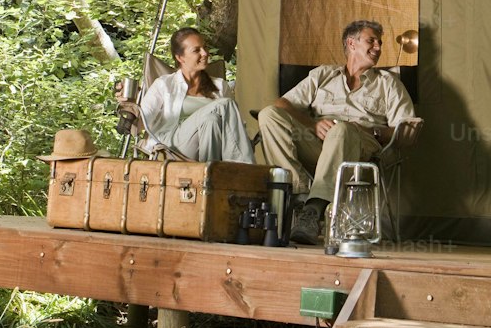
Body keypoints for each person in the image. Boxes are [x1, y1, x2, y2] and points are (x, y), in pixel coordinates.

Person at [257, 19, 422, 246]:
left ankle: (313, 211)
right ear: (351, 43)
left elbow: (404, 134)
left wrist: (369, 129)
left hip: (360, 149)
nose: (378, 47)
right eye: (371, 41)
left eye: (380, 43)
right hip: (318, 144)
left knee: (342, 129)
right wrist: (311, 125)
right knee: (268, 114)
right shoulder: (323, 75)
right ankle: (300, 193)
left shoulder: (388, 84)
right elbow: (282, 103)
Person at [119, 27, 255, 164]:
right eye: (197, 50)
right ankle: (246, 169)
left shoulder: (220, 86)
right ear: (180, 57)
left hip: (210, 146)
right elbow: (140, 126)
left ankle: (209, 175)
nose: (205, 53)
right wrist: (129, 105)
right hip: (172, 147)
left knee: (211, 119)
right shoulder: (164, 84)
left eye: (205, 47)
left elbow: (231, 127)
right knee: (226, 104)